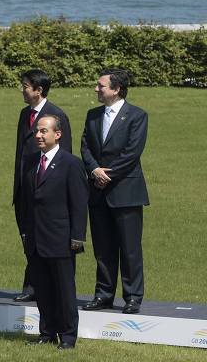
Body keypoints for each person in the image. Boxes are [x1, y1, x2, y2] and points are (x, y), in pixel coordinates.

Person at [81, 68, 149, 315]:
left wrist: (107, 175)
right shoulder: (93, 115)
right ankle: (103, 294)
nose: (96, 89)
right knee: (103, 247)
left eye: (101, 86)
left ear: (116, 89)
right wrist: (94, 170)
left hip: (126, 191)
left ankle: (132, 297)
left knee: (129, 248)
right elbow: (85, 146)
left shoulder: (137, 116)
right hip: (98, 192)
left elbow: (132, 152)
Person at [19, 115, 88, 350]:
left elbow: (78, 204)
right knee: (43, 290)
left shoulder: (71, 164)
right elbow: (25, 201)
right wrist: (25, 233)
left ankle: (68, 336)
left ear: (57, 134)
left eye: (43, 131)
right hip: (35, 238)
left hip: (61, 239)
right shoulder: (30, 162)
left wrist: (77, 238)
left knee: (64, 290)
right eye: (37, 131)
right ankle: (47, 332)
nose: (38, 135)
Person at [12, 69, 72, 302]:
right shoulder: (24, 114)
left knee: (43, 239)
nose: (22, 90)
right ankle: (34, 284)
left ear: (39, 90)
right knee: (28, 238)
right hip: (25, 188)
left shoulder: (56, 115)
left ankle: (39, 286)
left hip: (44, 188)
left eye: (26, 86)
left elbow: (63, 155)